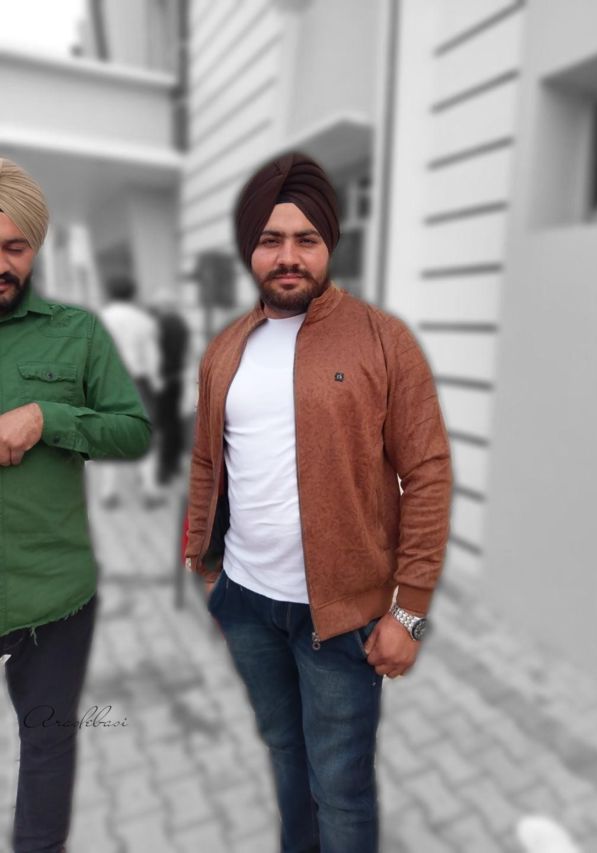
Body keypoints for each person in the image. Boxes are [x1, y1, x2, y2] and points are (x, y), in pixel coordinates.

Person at [185, 152, 452, 853]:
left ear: (329, 243)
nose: (288, 256)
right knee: (284, 751)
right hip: (247, 602)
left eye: (306, 238)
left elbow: (427, 472)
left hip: (339, 620)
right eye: (270, 239)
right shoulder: (226, 349)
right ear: (250, 249)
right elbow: (208, 461)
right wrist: (205, 565)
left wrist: (410, 611)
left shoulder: (382, 340)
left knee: (340, 786)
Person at [0, 156, 151, 853]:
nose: (1, 263)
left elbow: (133, 430)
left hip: (55, 597)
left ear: (36, 247)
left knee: (49, 746)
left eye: (15, 247)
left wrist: (48, 418)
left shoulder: (78, 331)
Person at [99, 275, 163, 507]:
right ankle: (149, 491)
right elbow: (152, 357)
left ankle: (108, 493)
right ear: (133, 294)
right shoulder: (144, 321)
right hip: (137, 383)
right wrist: (156, 384)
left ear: (108, 293)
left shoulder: (98, 320)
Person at [151, 292, 190, 484]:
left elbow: (157, 354)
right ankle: (175, 464)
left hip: (163, 378)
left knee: (164, 424)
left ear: (163, 305)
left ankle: (165, 470)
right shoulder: (181, 324)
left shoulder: (161, 325)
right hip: (177, 377)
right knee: (173, 421)